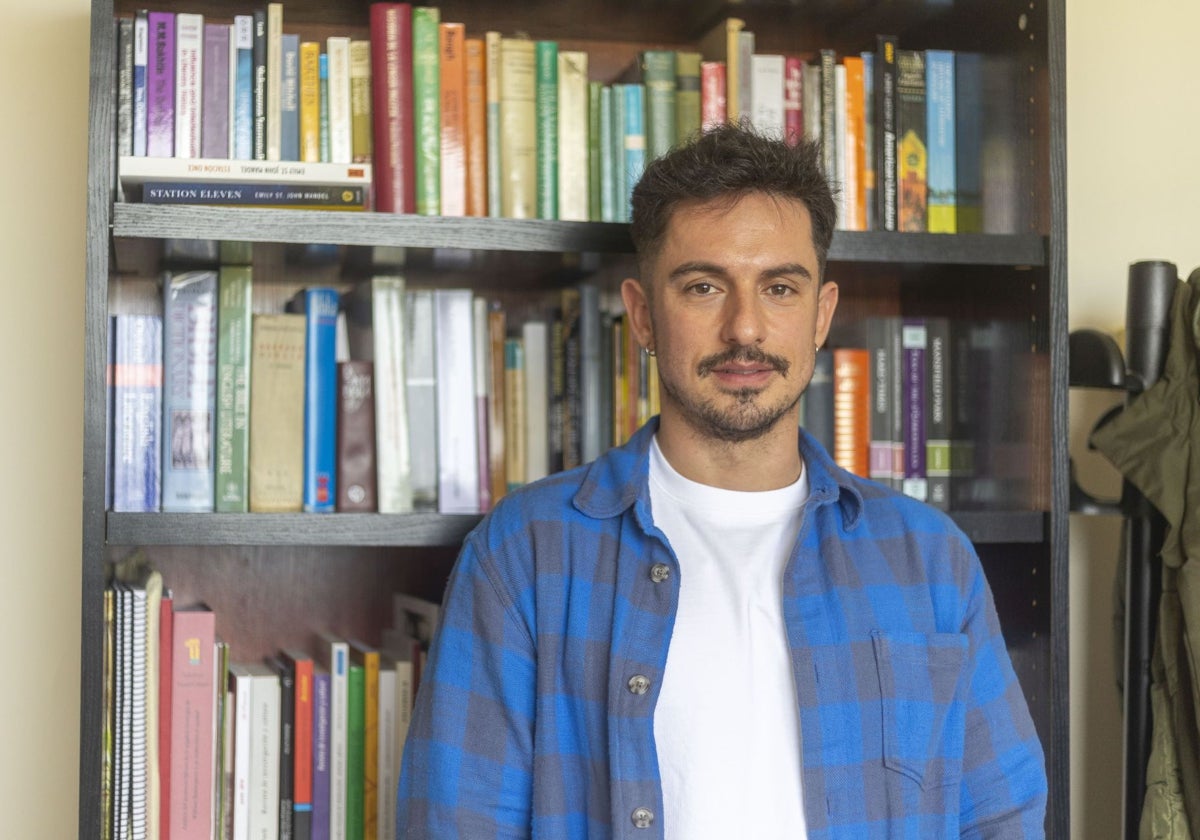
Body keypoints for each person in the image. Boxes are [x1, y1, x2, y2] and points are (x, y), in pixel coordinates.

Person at [396, 123, 1048, 838]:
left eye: (779, 287)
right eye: (704, 287)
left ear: (821, 315)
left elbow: (1003, 817)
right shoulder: (524, 556)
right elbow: (453, 823)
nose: (746, 328)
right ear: (643, 315)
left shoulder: (930, 560)